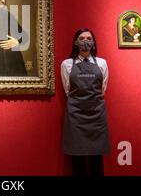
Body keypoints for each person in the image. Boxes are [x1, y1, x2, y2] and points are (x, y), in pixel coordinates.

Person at [61, 28, 110, 176]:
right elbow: (68, 90)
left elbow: (103, 89)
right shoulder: (66, 64)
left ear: (93, 42)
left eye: (88, 38)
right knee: (78, 160)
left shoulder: (102, 63)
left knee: (97, 159)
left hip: (97, 116)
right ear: (75, 43)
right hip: (76, 116)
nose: (85, 41)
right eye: (81, 38)